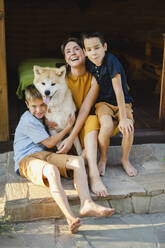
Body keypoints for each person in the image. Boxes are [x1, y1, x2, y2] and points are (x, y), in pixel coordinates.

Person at [13, 85, 114, 234]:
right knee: (51, 170)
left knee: (78, 161)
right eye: (34, 106)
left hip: (45, 155)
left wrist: (47, 122)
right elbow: (50, 143)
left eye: (42, 105)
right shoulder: (27, 120)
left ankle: (87, 203)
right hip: (26, 159)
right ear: (27, 105)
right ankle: (70, 218)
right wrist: (68, 128)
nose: (39, 110)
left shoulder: (42, 117)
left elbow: (48, 131)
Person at [58, 36, 109, 197]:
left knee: (92, 119)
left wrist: (71, 138)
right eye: (68, 51)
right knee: (89, 122)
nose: (72, 53)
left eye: (76, 49)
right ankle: (82, 163)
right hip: (69, 123)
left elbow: (86, 109)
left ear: (85, 53)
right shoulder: (62, 79)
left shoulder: (94, 77)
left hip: (88, 121)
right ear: (65, 58)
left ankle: (93, 174)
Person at [82, 31, 137, 177]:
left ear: (105, 47)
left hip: (122, 101)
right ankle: (103, 158)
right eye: (89, 49)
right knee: (106, 126)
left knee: (128, 128)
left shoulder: (111, 61)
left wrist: (124, 118)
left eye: (97, 47)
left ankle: (125, 160)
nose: (93, 53)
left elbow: (118, 90)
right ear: (84, 52)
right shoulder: (88, 63)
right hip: (103, 103)